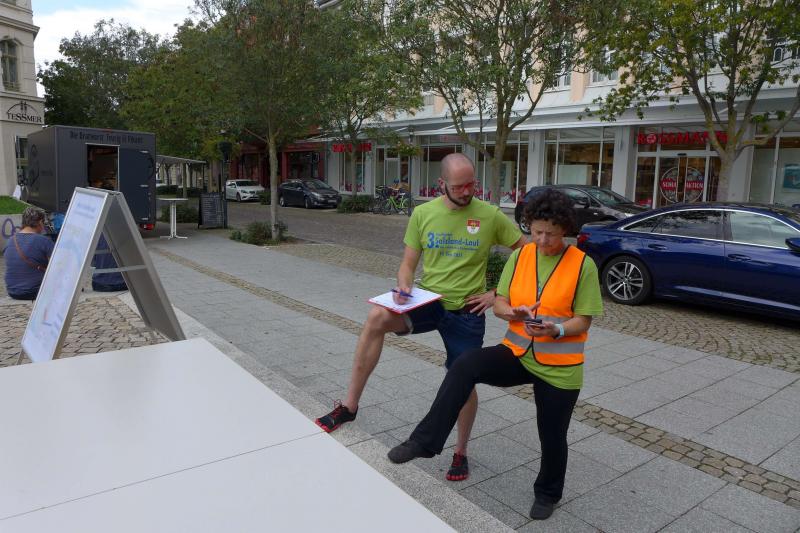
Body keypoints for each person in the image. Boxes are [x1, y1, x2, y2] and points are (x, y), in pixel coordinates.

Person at [387, 188, 603, 520]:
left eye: (551, 234)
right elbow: (500, 303)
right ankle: (425, 442)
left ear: (565, 229)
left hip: (560, 366)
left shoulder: (582, 265)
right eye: (537, 231)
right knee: (465, 364)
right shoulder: (521, 256)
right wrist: (512, 312)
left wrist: (556, 330)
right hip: (517, 352)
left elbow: (583, 320)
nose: (542, 240)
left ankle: (547, 493)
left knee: (552, 433)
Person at [315, 153, 524, 481]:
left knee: (462, 376)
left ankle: (461, 451)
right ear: (442, 184)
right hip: (429, 301)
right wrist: (403, 285)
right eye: (459, 186)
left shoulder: (490, 215)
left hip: (467, 310)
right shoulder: (423, 214)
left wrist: (497, 293)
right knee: (376, 317)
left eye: (471, 184)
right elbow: (408, 264)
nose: (467, 191)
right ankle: (349, 407)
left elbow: (527, 254)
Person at [2, 206, 54, 300]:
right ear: (40, 222)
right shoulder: (44, 241)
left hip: (12, 291)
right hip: (35, 290)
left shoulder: (10, 240)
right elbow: (55, 268)